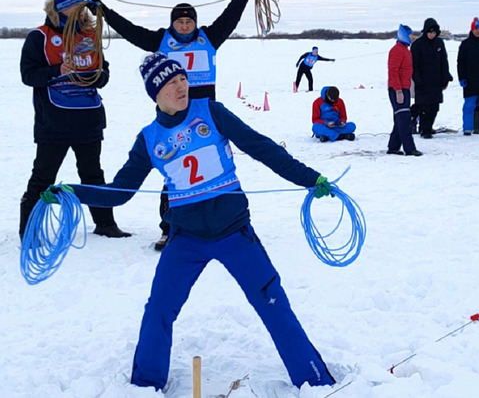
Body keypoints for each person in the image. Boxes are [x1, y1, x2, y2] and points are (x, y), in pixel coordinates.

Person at [54, 52, 336, 391]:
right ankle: (145, 384)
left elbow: (261, 147)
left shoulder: (211, 112)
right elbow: (119, 193)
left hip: (234, 232)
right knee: (159, 309)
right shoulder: (149, 139)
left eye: (183, 79)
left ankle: (314, 380)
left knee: (272, 303)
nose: (180, 86)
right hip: (185, 239)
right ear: (155, 93)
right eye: (171, 82)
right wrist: (72, 192)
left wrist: (310, 178)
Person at [89, 0, 256, 250]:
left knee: (216, 167)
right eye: (180, 21)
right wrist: (105, 13)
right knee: (174, 172)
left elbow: (231, 14)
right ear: (172, 23)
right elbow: (131, 31)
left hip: (208, 117)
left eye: (189, 21)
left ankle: (228, 222)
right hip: (174, 117)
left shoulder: (210, 37)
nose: (185, 25)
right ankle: (169, 228)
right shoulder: (161, 40)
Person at [19, 0, 130, 239]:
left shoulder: (90, 35)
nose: (80, 13)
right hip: (54, 121)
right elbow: (28, 75)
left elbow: (104, 73)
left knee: (93, 174)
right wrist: (57, 70)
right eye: (73, 7)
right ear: (59, 10)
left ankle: (105, 224)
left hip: (88, 118)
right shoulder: (40, 36)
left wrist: (97, 77)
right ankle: (29, 231)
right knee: (43, 176)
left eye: (82, 8)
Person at [410, 18, 453, 138]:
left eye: (434, 33)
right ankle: (424, 130)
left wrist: (446, 77)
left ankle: (428, 127)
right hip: (422, 82)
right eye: (430, 32)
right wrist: (417, 80)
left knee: (434, 107)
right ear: (425, 31)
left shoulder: (439, 43)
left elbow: (444, 61)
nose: (432, 35)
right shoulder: (417, 45)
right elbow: (414, 65)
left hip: (436, 81)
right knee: (424, 107)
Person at [387, 24, 423, 156]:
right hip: (398, 89)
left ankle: (393, 147)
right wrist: (398, 90)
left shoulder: (405, 51)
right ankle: (409, 148)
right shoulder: (396, 51)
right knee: (404, 119)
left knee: (400, 119)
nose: (412, 37)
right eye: (410, 34)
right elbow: (393, 72)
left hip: (404, 88)